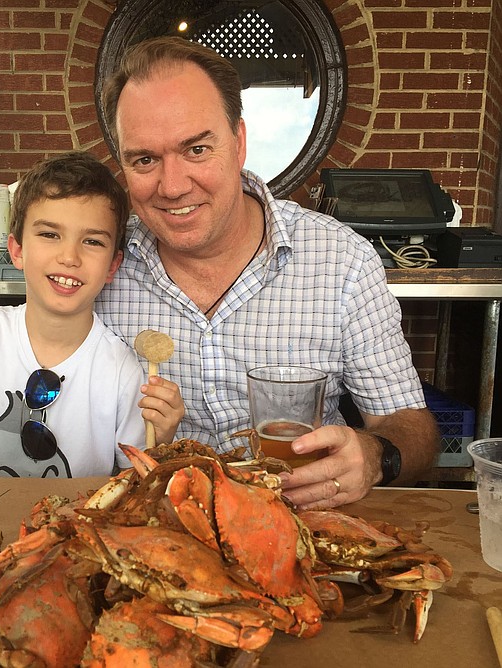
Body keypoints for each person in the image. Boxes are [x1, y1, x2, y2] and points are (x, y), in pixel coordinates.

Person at [95, 36, 440, 509]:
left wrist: (376, 455)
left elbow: (412, 428)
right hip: (156, 530)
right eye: (145, 160)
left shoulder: (342, 261)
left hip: (299, 526)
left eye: (196, 149)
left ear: (238, 142)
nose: (172, 186)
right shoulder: (99, 266)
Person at [0, 152, 184, 477]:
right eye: (50, 234)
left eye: (92, 241)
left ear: (113, 266)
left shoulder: (122, 372)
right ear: (17, 250)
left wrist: (161, 443)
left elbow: (133, 486)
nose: (69, 257)